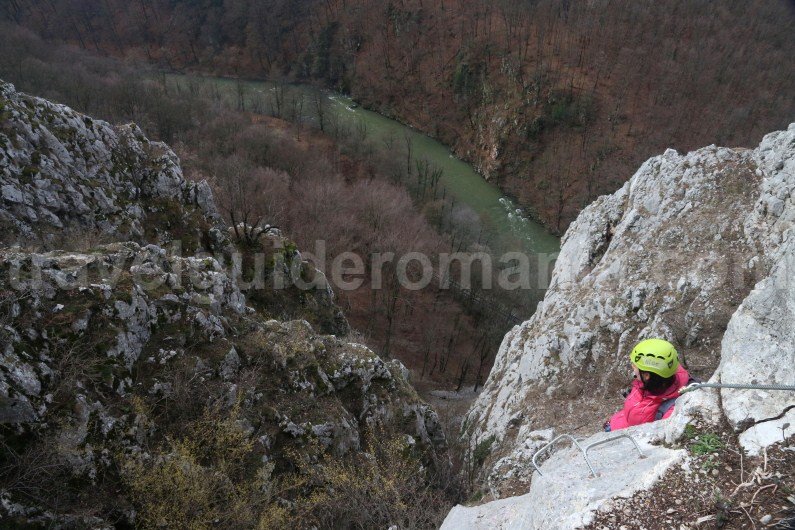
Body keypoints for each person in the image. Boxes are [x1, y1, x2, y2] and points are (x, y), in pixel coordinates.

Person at [604, 338, 691, 432]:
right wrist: (615, 420)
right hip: (620, 422)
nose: (633, 367)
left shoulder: (671, 411)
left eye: (635, 366)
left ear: (646, 375)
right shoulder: (656, 380)